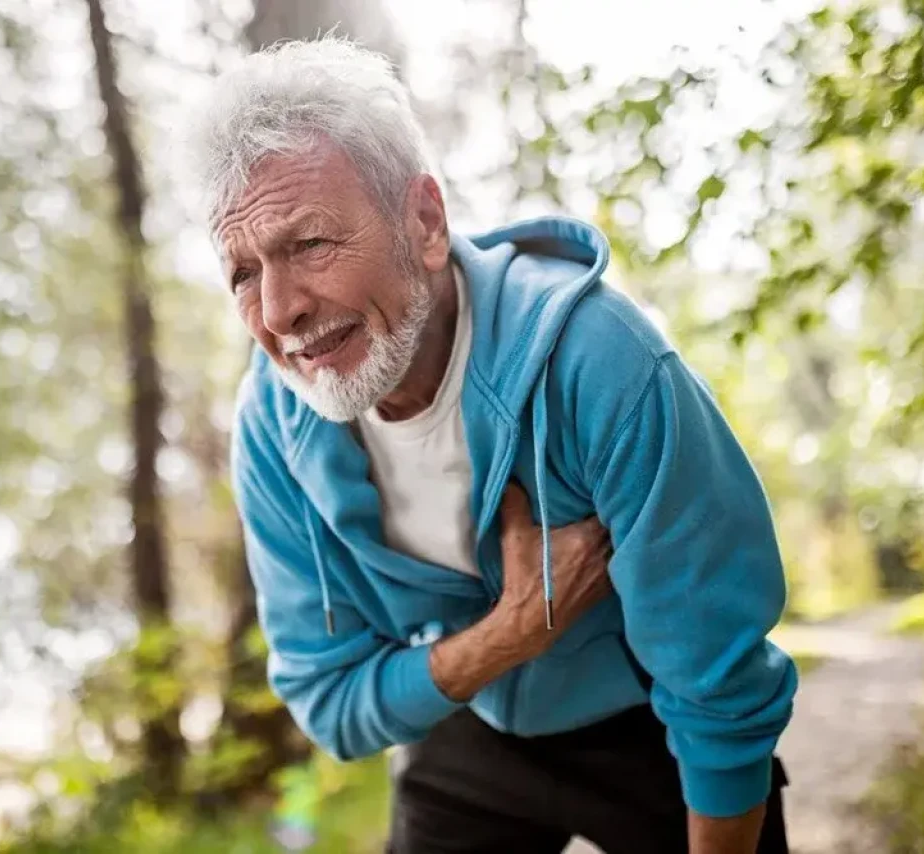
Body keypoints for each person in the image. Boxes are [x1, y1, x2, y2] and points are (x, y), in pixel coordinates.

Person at [175, 36, 797, 854]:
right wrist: (512, 633)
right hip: (469, 716)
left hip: (652, 720)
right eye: (243, 273)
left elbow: (716, 676)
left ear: (424, 222)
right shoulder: (270, 423)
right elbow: (331, 704)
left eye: (309, 244)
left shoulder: (598, 358)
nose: (281, 309)